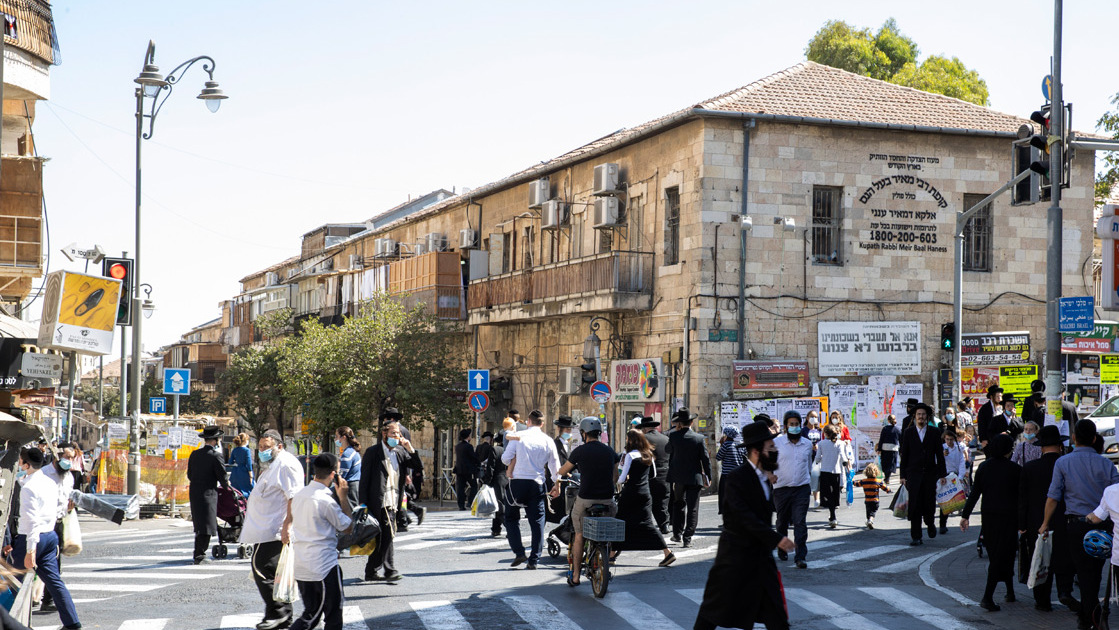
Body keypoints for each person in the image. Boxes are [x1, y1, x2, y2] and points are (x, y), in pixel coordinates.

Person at [694, 421, 796, 630]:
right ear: (757, 452)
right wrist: (777, 539)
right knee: (712, 614)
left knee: (776, 616)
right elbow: (743, 518)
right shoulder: (736, 479)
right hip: (735, 560)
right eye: (771, 448)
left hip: (761, 562)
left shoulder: (764, 478)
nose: (775, 451)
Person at [1040, 419, 1119, 630]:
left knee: (1083, 572)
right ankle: (1091, 614)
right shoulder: (1107, 464)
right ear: (1094, 439)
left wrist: (1045, 523)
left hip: (1075, 525)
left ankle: (1088, 616)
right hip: (1103, 526)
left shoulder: (1063, 463)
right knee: (1094, 572)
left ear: (1074, 438)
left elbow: (1053, 497)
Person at [6, 447, 80, 630]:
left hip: (31, 538)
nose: (19, 464)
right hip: (50, 535)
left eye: (21, 461)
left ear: (26, 464)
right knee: (54, 581)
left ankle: (10, 622)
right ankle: (72, 623)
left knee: (13, 581)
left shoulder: (29, 488)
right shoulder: (48, 482)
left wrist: (30, 550)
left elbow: (32, 521)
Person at [240, 430, 303, 630]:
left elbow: (293, 496)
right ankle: (280, 614)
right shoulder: (273, 465)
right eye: (260, 448)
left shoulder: (285, 464)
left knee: (261, 567)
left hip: (275, 528)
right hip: (265, 529)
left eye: (267, 447)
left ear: (279, 446)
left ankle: (280, 612)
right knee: (272, 572)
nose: (263, 451)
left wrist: (288, 525)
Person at [286, 453, 353, 630]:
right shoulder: (325, 500)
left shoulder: (300, 495)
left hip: (301, 565)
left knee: (311, 612)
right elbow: (347, 527)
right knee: (329, 616)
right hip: (324, 566)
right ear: (333, 474)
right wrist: (343, 497)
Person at [550, 417, 619, 585]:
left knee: (579, 534)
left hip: (586, 498)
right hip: (608, 499)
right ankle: (608, 558)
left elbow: (563, 470)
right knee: (608, 530)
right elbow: (615, 476)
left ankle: (575, 576)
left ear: (583, 433)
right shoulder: (609, 451)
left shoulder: (580, 451)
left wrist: (560, 471)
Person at [1018, 425, 1076, 613]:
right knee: (1064, 559)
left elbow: (1023, 499)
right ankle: (1064, 591)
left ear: (1041, 447)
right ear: (1060, 446)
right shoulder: (1067, 465)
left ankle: (1042, 600)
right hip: (1064, 520)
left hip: (1036, 522)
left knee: (1040, 561)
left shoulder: (1030, 468)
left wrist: (1022, 524)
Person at [961, 434, 1021, 612]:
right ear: (1009, 450)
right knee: (1006, 554)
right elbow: (1021, 498)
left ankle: (1010, 592)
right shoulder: (1015, 470)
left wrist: (965, 516)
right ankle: (987, 597)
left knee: (996, 555)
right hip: (1009, 519)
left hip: (989, 519)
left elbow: (974, 494)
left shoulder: (984, 467)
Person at [358, 411, 420, 583]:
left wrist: (410, 448)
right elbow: (365, 479)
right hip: (378, 502)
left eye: (398, 434)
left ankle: (371, 571)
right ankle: (389, 570)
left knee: (383, 537)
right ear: (384, 434)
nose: (397, 436)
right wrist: (362, 504)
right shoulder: (373, 452)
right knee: (388, 535)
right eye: (393, 433)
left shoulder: (400, 452)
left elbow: (417, 466)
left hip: (394, 501)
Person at [501, 407, 561, 569]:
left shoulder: (519, 436)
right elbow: (555, 465)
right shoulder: (548, 440)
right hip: (537, 483)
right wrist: (557, 484)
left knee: (511, 518)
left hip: (518, 483)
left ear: (528, 422)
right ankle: (534, 559)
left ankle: (519, 552)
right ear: (542, 424)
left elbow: (505, 459)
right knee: (538, 521)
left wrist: (513, 461)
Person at [613, 428, 675, 567]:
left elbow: (621, 479)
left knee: (620, 521)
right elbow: (653, 474)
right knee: (647, 523)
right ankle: (667, 552)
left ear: (631, 440)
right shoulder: (648, 455)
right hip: (645, 493)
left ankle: (611, 553)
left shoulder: (630, 456)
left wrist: (620, 480)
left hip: (631, 493)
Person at [899, 403, 947, 546]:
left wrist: (942, 474)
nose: (921, 417)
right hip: (913, 475)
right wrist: (902, 475)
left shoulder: (934, 432)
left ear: (927, 416)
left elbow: (939, 454)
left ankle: (930, 522)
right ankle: (916, 536)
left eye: (923, 414)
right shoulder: (908, 433)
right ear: (915, 416)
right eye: (919, 414)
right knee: (914, 505)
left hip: (929, 474)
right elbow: (904, 456)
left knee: (929, 503)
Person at [38, 442, 77, 615]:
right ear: (57, 455)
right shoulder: (44, 474)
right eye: (67, 457)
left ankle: (48, 600)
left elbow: (66, 501)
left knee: (54, 564)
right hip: (43, 523)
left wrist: (70, 507)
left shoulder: (69, 477)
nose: (69, 461)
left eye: (72, 458)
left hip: (59, 523)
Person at [667, 408, 711, 547]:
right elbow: (705, 459)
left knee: (678, 504)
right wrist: (708, 477)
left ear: (680, 422)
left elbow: (668, 450)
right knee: (693, 508)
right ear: (692, 422)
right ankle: (688, 537)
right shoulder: (698, 438)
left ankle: (677, 534)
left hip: (679, 477)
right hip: (694, 477)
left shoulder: (674, 436)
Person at [772, 411, 811, 569]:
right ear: (786, 426)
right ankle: (782, 547)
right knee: (782, 522)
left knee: (800, 522)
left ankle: (800, 557)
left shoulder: (807, 444)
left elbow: (808, 464)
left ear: (800, 425)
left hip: (801, 488)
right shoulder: (777, 443)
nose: (794, 427)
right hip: (782, 489)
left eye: (796, 424)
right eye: (791, 424)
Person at [187, 425, 230, 564]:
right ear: (216, 440)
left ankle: (198, 552)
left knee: (200, 523)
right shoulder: (216, 456)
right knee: (207, 524)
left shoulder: (195, 454)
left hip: (195, 492)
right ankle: (200, 554)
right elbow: (223, 477)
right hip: (209, 493)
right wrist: (227, 487)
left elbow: (189, 474)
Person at [814, 425, 850, 528]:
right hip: (836, 471)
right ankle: (833, 515)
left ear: (825, 433)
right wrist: (844, 463)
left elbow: (817, 457)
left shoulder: (821, 443)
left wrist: (817, 461)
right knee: (835, 493)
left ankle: (832, 515)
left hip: (825, 471)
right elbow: (843, 455)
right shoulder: (840, 443)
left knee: (827, 494)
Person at [641, 416, 671, 534]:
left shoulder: (643, 439)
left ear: (644, 428)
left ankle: (647, 525)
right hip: (665, 472)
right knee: (663, 500)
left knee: (647, 501)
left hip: (649, 473)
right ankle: (665, 525)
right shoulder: (665, 438)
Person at [938, 428, 969, 534]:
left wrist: (960, 477)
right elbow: (936, 461)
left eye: (951, 439)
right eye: (947, 439)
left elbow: (961, 463)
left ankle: (963, 519)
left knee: (958, 499)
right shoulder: (942, 449)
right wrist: (942, 455)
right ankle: (942, 524)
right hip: (945, 476)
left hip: (955, 475)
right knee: (945, 500)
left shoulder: (959, 448)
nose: (949, 442)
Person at [478, 431, 507, 538]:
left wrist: (487, 481)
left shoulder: (495, 449)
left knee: (499, 505)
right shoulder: (511, 449)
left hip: (498, 480)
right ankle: (496, 528)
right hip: (509, 479)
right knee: (499, 504)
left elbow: (491, 467)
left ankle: (508, 527)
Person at [715, 426, 744, 514]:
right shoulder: (740, 445)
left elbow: (718, 457)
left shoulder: (726, 445)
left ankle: (726, 514)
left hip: (727, 475)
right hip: (738, 475)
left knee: (725, 496)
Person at [857, 463, 890, 529]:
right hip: (875, 500)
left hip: (867, 500)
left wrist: (851, 481)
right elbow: (885, 488)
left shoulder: (864, 481)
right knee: (873, 512)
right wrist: (888, 490)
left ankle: (869, 520)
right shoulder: (878, 481)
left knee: (868, 511)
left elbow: (856, 483)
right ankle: (870, 520)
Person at [335, 426, 361, 508]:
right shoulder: (353, 451)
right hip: (355, 486)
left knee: (349, 512)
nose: (336, 439)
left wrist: (337, 471)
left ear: (343, 438)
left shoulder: (347, 454)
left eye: (337, 437)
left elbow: (342, 476)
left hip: (349, 488)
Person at [453, 428, 479, 511]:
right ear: (468, 437)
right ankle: (470, 501)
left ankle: (461, 505)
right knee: (474, 485)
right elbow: (473, 457)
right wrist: (479, 463)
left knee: (460, 488)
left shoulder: (457, 446)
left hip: (459, 470)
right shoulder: (469, 446)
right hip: (468, 470)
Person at [876, 414, 901, 485]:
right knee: (891, 464)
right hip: (894, 449)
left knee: (885, 464)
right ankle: (887, 478)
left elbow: (881, 439)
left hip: (885, 448)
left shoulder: (885, 429)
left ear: (888, 420)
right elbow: (901, 440)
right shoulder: (898, 430)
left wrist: (879, 449)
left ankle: (887, 477)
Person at [805, 413, 823, 507]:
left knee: (816, 476)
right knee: (807, 478)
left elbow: (822, 442)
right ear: (807, 418)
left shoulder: (818, 430)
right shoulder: (803, 430)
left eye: (815, 417)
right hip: (806, 457)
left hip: (817, 456)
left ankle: (817, 499)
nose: (813, 418)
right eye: (811, 416)